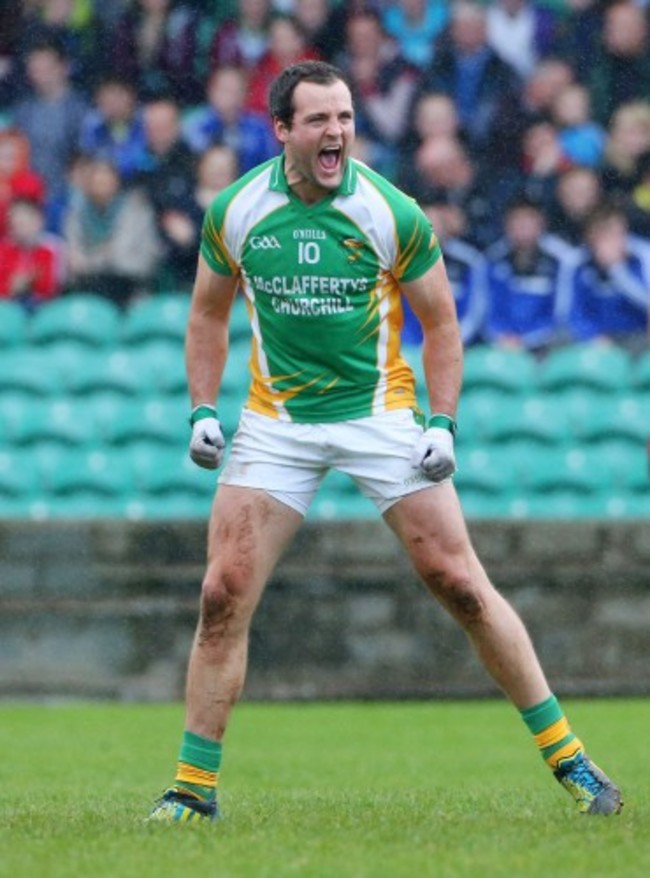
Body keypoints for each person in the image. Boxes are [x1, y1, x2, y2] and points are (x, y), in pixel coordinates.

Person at [147, 60, 623, 824]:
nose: (336, 132)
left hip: (380, 415)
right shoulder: (235, 210)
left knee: (461, 584)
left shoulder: (389, 210)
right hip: (277, 424)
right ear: (282, 131)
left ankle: (571, 760)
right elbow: (207, 315)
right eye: (319, 120)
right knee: (221, 595)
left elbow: (441, 324)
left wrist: (442, 421)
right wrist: (203, 408)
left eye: (345, 118)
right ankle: (191, 792)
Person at [483, 194, 575, 352]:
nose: (522, 226)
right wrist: (501, 337)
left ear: (542, 222)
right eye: (516, 220)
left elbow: (562, 313)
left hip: (547, 345)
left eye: (528, 219)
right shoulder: (492, 259)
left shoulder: (563, 259)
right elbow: (487, 310)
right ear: (506, 224)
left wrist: (526, 341)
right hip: (501, 345)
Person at [566, 201, 650, 351]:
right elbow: (570, 311)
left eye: (619, 233)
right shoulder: (576, 262)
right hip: (594, 338)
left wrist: (618, 270)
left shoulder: (642, 255)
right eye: (605, 234)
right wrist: (591, 336)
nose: (613, 240)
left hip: (637, 335)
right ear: (589, 236)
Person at [0, 195, 65, 309]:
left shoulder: (52, 247)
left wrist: (28, 282)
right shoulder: (4, 248)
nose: (18, 226)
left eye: (23, 222)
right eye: (15, 222)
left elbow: (52, 289)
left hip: (43, 309)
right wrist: (10, 287)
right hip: (8, 308)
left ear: (39, 220)